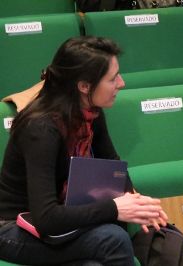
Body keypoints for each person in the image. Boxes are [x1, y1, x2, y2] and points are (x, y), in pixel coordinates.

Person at [0, 36, 168, 265]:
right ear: (84, 86)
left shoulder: (89, 111)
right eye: (112, 78)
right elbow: (46, 217)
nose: (121, 83)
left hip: (61, 220)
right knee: (113, 238)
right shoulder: (41, 129)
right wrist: (114, 207)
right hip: (13, 228)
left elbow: (112, 166)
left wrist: (139, 204)